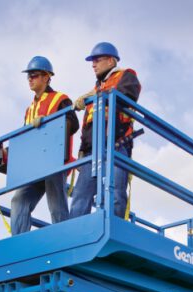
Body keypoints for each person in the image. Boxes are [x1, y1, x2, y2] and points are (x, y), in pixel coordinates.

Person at [70, 42, 141, 219]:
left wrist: (97, 95)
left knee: (115, 193)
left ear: (111, 61)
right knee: (80, 196)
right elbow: (88, 124)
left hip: (116, 145)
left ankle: (114, 228)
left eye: (97, 60)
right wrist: (81, 150)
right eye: (92, 61)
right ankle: (74, 236)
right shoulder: (96, 89)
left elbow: (127, 96)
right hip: (91, 151)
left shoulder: (126, 76)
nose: (93, 65)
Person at [10, 56, 79, 234]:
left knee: (56, 206)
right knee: (19, 200)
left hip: (55, 162)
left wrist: (48, 123)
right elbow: (25, 137)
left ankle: (63, 240)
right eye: (28, 76)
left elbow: (72, 123)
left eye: (34, 75)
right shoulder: (29, 109)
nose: (30, 79)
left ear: (46, 77)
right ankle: (19, 243)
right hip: (35, 166)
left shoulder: (60, 99)